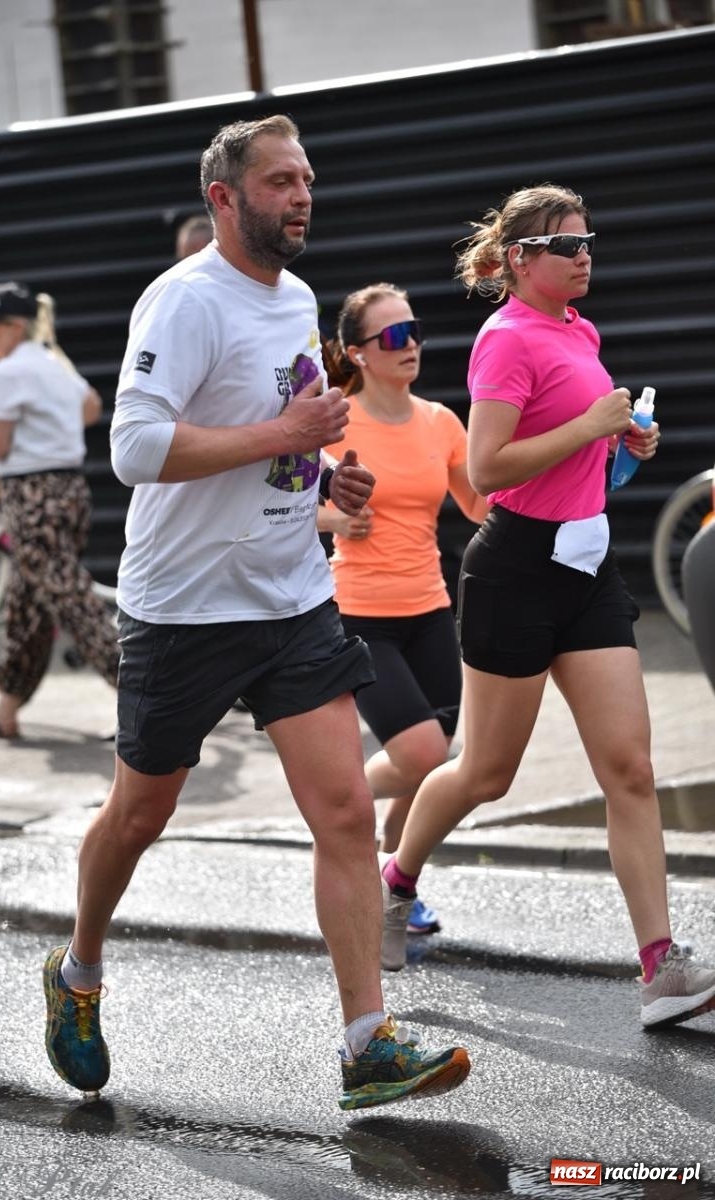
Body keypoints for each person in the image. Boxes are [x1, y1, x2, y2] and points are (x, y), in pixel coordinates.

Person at [41, 115, 470, 1111]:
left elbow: (291, 428)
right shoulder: (183, 302)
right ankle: (78, 971)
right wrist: (286, 429)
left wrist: (327, 474)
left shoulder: (302, 300)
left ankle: (366, 1040)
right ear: (225, 197)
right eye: (280, 181)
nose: (302, 195)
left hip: (291, 593)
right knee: (141, 813)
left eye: (308, 178)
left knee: (346, 810)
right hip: (185, 609)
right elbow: (135, 450)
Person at [380, 184, 715, 1031]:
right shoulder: (503, 341)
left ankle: (658, 967)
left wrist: (620, 436)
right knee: (485, 774)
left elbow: (575, 444)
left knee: (630, 768)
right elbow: (488, 470)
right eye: (568, 244)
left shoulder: (579, 330)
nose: (585, 254)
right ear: (520, 261)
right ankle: (394, 881)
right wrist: (586, 424)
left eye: (588, 240)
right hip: (517, 571)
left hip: (588, 567)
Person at [318, 283, 487, 946]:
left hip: (429, 608)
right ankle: (338, 806)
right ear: (357, 354)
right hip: (358, 611)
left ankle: (394, 882)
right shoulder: (336, 423)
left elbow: (480, 505)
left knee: (434, 758)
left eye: (412, 331)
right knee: (420, 750)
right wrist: (335, 517)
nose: (408, 345)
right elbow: (283, 504)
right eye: (391, 337)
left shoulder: (440, 422)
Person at [0, 281, 121, 739]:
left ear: (15, 326)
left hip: (32, 496)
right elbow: (90, 409)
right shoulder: (54, 364)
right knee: (27, 603)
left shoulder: (6, 374)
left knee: (72, 600)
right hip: (70, 491)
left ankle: (140, 693)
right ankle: (7, 707)